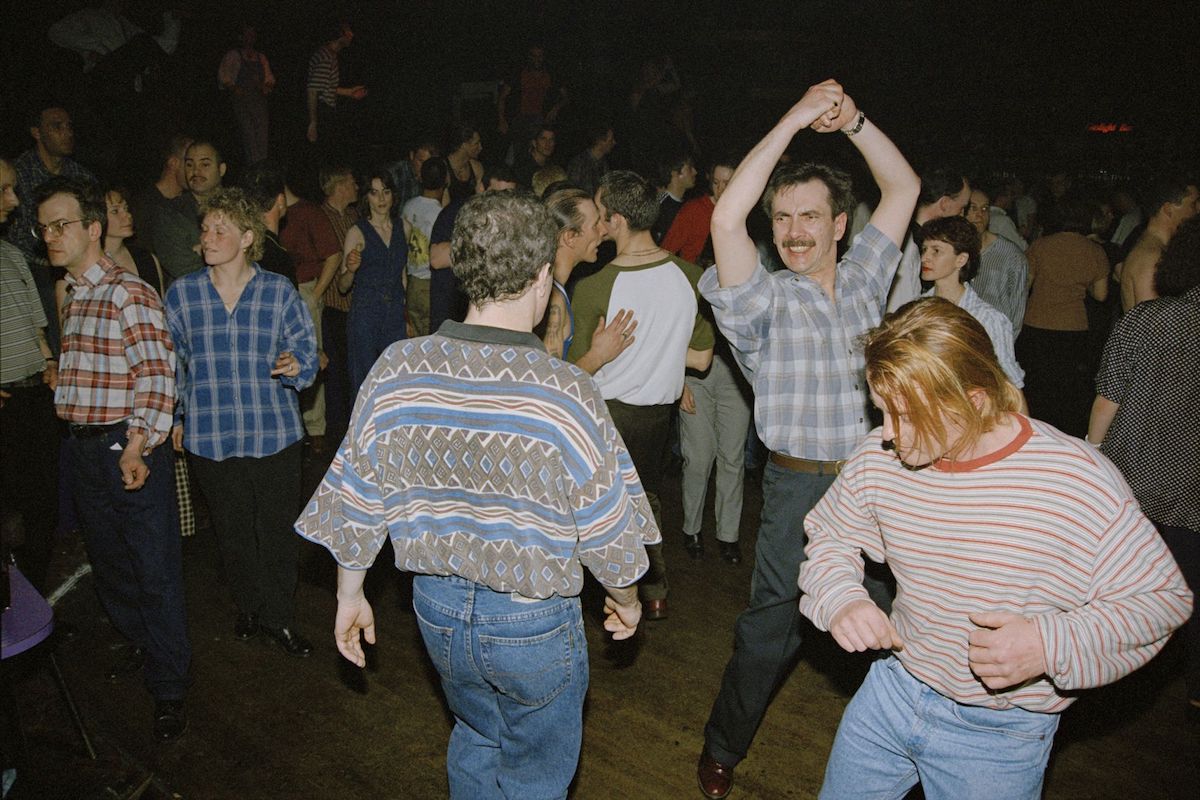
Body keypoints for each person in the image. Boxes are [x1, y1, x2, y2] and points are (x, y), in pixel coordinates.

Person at [296, 190, 657, 798]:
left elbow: (357, 496)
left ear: (464, 271)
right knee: (536, 772)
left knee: (475, 732)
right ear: (542, 277)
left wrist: (350, 594)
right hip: (532, 621)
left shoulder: (397, 366)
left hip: (435, 611)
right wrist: (627, 599)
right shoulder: (564, 389)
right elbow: (606, 527)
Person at [798, 297, 1191, 799]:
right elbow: (831, 535)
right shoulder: (880, 462)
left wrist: (1048, 644)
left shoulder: (1073, 480)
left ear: (976, 401)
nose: (889, 435)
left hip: (1000, 734)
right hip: (892, 692)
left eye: (907, 416)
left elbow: (1161, 600)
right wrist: (841, 598)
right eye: (883, 411)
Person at [695, 80, 920, 799]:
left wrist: (853, 121)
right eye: (784, 217)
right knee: (769, 631)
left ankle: (908, 746)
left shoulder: (865, 279)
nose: (794, 231)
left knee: (903, 616)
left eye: (811, 216)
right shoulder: (760, 300)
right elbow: (726, 219)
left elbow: (904, 185)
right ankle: (723, 745)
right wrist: (795, 118)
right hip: (797, 489)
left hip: (879, 479)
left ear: (840, 224)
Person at [38, 176, 189, 740]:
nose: (51, 236)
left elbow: (156, 375)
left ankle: (170, 685)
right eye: (45, 228)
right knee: (111, 563)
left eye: (62, 225)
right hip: (83, 448)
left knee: (153, 568)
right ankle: (144, 644)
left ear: (93, 228)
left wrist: (137, 444)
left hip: (124, 446)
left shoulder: (129, 292)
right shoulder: (74, 293)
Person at [166, 187, 317, 658]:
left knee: (276, 531)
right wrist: (175, 416)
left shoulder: (278, 291)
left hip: (274, 433)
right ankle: (249, 606)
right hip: (210, 435)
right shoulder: (183, 294)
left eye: (220, 230)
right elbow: (172, 364)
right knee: (231, 533)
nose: (208, 238)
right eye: (205, 229)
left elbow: (307, 350)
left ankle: (280, 617)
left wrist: (297, 365)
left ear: (247, 237)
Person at [568, 170, 714, 621]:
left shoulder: (595, 286)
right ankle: (653, 591)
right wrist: (661, 347)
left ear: (616, 220)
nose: (598, 225)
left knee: (595, 511)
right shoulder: (691, 276)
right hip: (658, 417)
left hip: (608, 414)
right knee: (645, 500)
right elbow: (702, 359)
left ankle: (598, 594)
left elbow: (572, 374)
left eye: (601, 215)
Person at [1089, 215, 1200, 712]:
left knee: (1121, 584)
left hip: (1132, 475)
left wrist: (1092, 455)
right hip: (1192, 486)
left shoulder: (1146, 319)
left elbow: (1107, 399)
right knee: (1189, 588)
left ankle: (1114, 675)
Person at [0, 157, 59, 593]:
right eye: (3, 190)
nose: (14, 200)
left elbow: (37, 327)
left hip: (34, 396)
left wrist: (50, 363)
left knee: (41, 507)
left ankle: (32, 604)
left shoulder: (12, 254)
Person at [1018, 194, 1109, 438]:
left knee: (1037, 388)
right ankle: (1064, 440)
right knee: (1067, 391)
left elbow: (1025, 285)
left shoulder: (1040, 245)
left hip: (1037, 322)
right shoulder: (1095, 251)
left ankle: (1036, 436)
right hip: (1073, 326)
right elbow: (1101, 295)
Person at [7, 105, 96, 351]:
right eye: (57, 126)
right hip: (34, 266)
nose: (67, 132)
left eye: (69, 126)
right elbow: (19, 237)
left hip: (74, 259)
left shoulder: (80, 175)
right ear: (37, 132)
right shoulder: (21, 173)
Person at [918, 215, 1025, 393]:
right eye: (924, 249)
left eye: (936, 251)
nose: (924, 258)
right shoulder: (917, 308)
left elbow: (1010, 382)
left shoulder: (986, 318)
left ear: (961, 260)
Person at [540, 186, 634, 362]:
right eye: (594, 225)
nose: (603, 231)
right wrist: (598, 356)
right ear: (570, 237)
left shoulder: (552, 287)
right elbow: (549, 376)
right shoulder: (553, 299)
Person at [338, 169, 407, 389]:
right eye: (374, 193)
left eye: (386, 192)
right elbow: (342, 286)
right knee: (364, 381)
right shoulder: (357, 232)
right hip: (366, 314)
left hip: (394, 314)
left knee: (396, 379)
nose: (381, 199)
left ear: (393, 194)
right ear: (366, 197)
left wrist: (406, 314)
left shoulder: (404, 227)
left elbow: (403, 275)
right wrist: (351, 270)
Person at [885, 166, 971, 311]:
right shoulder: (907, 246)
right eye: (962, 208)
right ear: (945, 204)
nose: (962, 215)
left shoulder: (903, 233)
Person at [1117, 175, 1199, 311]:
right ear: (1168, 209)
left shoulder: (1157, 250)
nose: (1198, 210)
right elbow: (1152, 320)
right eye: (1193, 204)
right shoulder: (1151, 258)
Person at [964, 186, 1028, 336]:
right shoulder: (950, 250)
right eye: (973, 208)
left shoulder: (1011, 256)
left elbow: (1017, 312)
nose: (979, 215)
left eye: (985, 208)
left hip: (994, 339)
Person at [401, 157, 448, 336]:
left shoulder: (408, 206)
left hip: (411, 282)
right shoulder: (441, 214)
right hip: (430, 285)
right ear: (445, 180)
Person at [218, 23, 276, 166]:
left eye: (252, 34)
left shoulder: (261, 57)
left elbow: (269, 79)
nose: (250, 37)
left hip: (259, 100)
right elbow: (224, 77)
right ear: (241, 37)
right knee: (248, 133)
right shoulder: (234, 55)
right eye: (247, 34)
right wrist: (234, 88)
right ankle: (253, 166)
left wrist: (266, 86)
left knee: (262, 133)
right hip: (241, 100)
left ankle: (262, 165)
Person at [663, 154, 736, 265]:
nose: (720, 189)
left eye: (726, 183)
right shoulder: (694, 209)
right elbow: (666, 250)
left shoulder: (741, 212)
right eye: (716, 182)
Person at [305, 20, 366, 150]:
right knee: (324, 152)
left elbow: (326, 86)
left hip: (324, 110)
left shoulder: (330, 55)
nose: (352, 35)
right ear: (339, 34)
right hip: (321, 111)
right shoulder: (326, 56)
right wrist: (313, 122)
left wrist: (350, 92)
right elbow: (313, 90)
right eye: (348, 31)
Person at [566, 123, 615, 195]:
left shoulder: (604, 164)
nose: (614, 142)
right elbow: (571, 192)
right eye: (611, 140)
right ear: (600, 141)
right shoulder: (578, 163)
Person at [445, 124, 483, 202]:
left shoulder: (476, 167)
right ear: (464, 145)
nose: (480, 147)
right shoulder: (444, 169)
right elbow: (444, 205)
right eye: (476, 143)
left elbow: (481, 199)